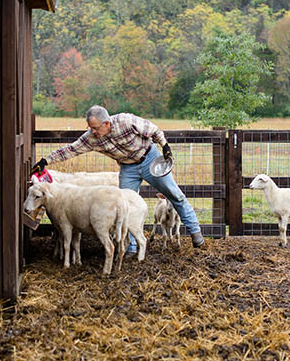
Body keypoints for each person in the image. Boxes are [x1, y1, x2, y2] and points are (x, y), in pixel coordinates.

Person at [31, 105, 205, 252]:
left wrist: (165, 147)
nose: (93, 131)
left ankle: (196, 234)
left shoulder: (126, 121)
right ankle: (131, 248)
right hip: (128, 167)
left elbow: (154, 130)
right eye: (90, 128)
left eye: (96, 128)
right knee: (125, 204)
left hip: (149, 159)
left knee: (175, 194)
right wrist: (46, 161)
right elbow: (70, 150)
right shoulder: (92, 138)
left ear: (106, 123)